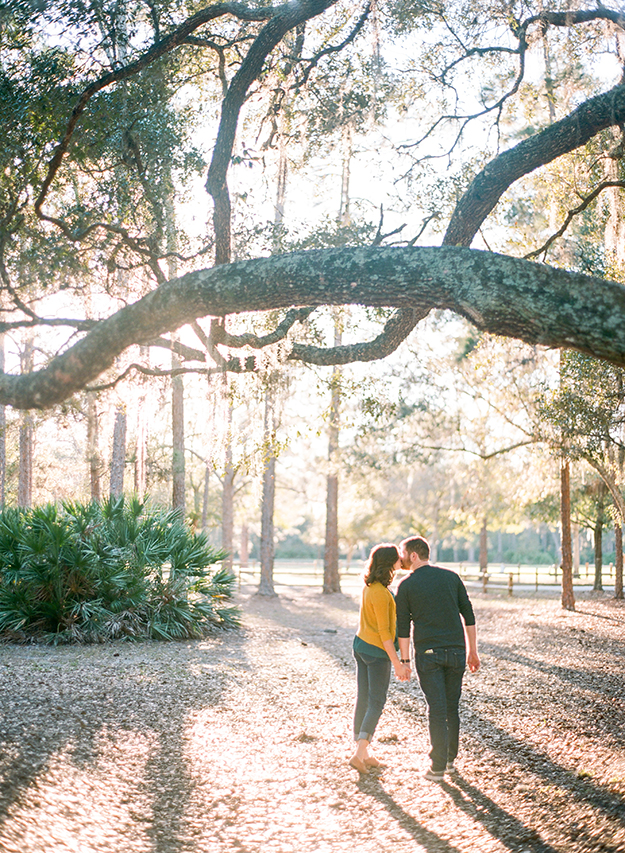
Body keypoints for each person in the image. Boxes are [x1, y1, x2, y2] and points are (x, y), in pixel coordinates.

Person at [396, 536, 480, 781]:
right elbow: (468, 614)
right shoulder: (451, 577)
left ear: (413, 555)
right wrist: (472, 651)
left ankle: (437, 767)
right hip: (456, 651)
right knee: (451, 707)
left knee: (436, 708)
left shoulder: (406, 585)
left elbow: (403, 628)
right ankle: (450, 761)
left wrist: (405, 661)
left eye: (403, 553)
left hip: (428, 654)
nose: (401, 558)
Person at [350, 543, 410, 774]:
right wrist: (398, 663)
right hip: (376, 652)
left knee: (363, 698)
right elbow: (385, 633)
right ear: (389, 563)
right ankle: (359, 754)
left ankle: (364, 753)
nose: (401, 560)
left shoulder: (370, 586)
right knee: (376, 701)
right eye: (398, 557)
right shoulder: (382, 594)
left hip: (361, 646)